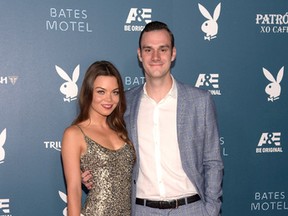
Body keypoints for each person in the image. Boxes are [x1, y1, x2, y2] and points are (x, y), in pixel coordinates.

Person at [82, 21, 224, 216]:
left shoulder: (200, 101)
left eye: (162, 49)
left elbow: (213, 161)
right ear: (140, 55)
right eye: (148, 50)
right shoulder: (124, 103)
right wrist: (88, 170)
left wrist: (211, 210)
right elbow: (102, 141)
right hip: (142, 210)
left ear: (173, 53)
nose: (155, 57)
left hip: (192, 209)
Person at [61, 60, 135, 216]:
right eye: (101, 91)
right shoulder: (74, 134)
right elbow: (74, 190)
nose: (109, 99)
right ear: (89, 92)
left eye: (115, 92)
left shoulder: (122, 129)